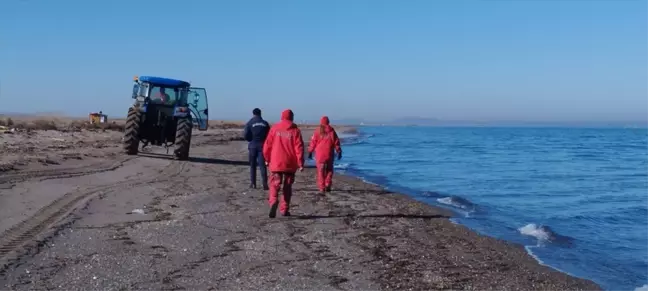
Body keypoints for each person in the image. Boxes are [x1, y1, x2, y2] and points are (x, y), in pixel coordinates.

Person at [262, 109, 304, 218]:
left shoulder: (275, 128)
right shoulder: (295, 131)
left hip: (276, 162)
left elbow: (267, 145)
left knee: (274, 184)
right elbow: (299, 148)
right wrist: (300, 163)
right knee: (287, 186)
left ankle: (273, 201)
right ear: (291, 117)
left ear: (282, 117)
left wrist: (266, 158)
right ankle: (284, 209)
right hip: (290, 162)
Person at [307, 116, 342, 194]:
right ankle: (327, 184)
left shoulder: (317, 131)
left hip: (320, 155)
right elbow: (336, 142)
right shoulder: (332, 131)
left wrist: (310, 151)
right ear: (328, 122)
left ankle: (322, 188)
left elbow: (313, 142)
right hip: (329, 154)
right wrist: (339, 151)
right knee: (329, 170)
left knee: (320, 171)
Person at [243, 108, 270, 189]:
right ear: (260, 114)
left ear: (253, 114)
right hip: (262, 146)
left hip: (253, 146)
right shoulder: (265, 123)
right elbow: (269, 135)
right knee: (262, 166)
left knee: (252, 165)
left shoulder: (250, 123)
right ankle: (265, 184)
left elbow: (245, 135)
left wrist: (250, 140)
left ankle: (253, 183)